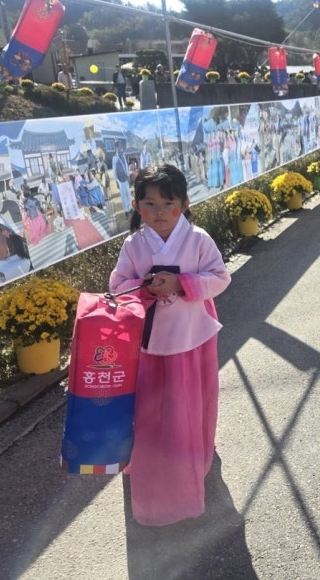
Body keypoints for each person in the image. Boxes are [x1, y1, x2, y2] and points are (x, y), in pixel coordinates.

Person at [108, 163, 231, 526]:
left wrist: (183, 284)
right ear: (137, 206)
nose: (158, 212)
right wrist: (142, 289)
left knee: (191, 402)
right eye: (149, 204)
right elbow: (118, 285)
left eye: (168, 203)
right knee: (150, 406)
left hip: (192, 338)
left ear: (184, 202)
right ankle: (153, 457)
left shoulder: (198, 240)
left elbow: (220, 277)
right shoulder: (134, 244)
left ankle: (196, 454)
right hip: (148, 344)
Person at [112, 145, 132, 216]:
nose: (119, 149)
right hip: (120, 180)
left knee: (128, 194)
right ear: (116, 149)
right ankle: (126, 210)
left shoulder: (123, 156)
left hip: (125, 178)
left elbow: (126, 167)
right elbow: (114, 170)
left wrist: (129, 176)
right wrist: (116, 181)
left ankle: (130, 208)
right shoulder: (114, 158)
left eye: (120, 148)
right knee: (123, 195)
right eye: (117, 148)